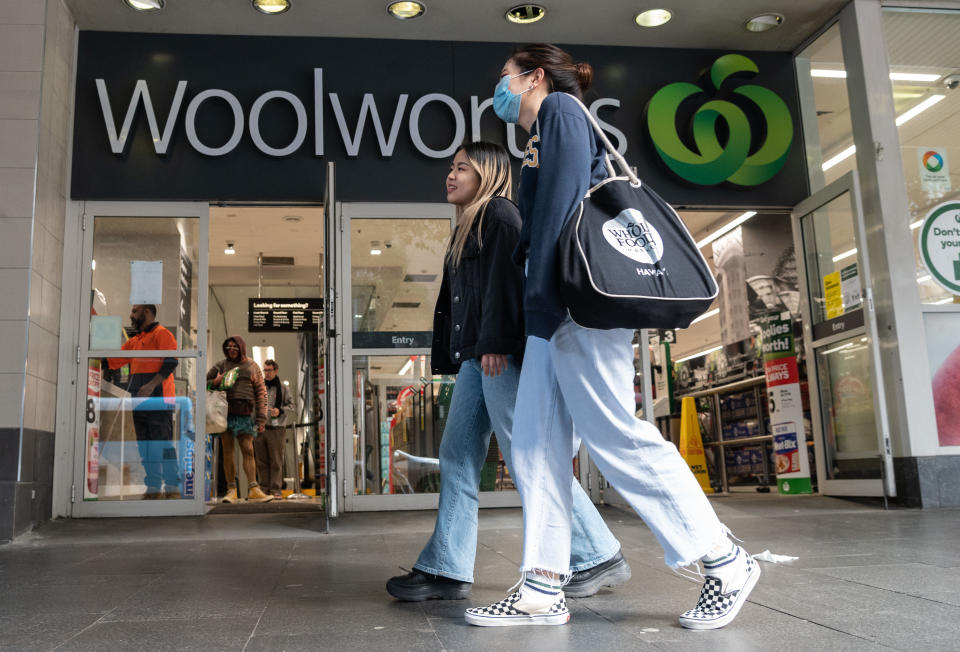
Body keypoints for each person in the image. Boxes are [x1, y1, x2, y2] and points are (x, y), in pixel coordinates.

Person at [465, 44, 760, 630]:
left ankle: (725, 561)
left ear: (534, 77)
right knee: (533, 445)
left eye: (504, 78)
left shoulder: (563, 115)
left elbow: (560, 210)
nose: (497, 90)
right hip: (552, 310)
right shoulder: (535, 139)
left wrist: (543, 299)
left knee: (613, 433)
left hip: (575, 305)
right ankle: (542, 587)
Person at [386, 142, 630, 603]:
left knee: (527, 454)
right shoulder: (470, 224)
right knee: (457, 454)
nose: (450, 175)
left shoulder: (499, 215)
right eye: (451, 168)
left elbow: (505, 285)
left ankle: (597, 554)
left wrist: (495, 342)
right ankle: (446, 567)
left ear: (488, 174)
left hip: (497, 353)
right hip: (478, 357)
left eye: (462, 168)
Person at [107, 304, 181, 499]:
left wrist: (150, 385)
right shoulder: (135, 341)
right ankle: (154, 488)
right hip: (139, 400)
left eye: (134, 311)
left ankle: (172, 488)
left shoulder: (162, 334)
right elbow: (112, 360)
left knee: (162, 443)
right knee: (145, 445)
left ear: (146, 312)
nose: (131, 315)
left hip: (159, 398)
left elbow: (171, 362)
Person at [207, 336, 273, 503]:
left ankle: (254, 489)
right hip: (225, 414)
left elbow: (261, 392)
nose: (231, 349)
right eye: (228, 347)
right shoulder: (221, 365)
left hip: (245, 414)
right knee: (227, 452)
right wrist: (216, 381)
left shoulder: (252, 366)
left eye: (235, 347)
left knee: (248, 450)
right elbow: (204, 382)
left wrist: (261, 418)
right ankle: (231, 490)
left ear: (241, 347)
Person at [254, 359, 294, 498]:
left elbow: (292, 406)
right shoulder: (259, 387)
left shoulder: (283, 388)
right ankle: (264, 489)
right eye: (265, 370)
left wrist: (280, 410)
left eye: (269, 370)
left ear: (276, 370)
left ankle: (276, 489)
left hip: (277, 429)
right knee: (261, 460)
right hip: (261, 428)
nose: (267, 373)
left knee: (276, 460)